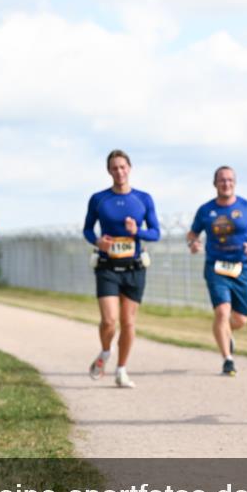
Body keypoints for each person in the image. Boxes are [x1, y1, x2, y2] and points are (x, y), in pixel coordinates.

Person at [83, 149, 160, 388]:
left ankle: (121, 369)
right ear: (109, 171)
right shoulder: (99, 199)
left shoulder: (143, 198)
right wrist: (98, 242)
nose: (119, 171)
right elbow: (87, 229)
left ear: (130, 168)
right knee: (109, 321)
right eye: (114, 167)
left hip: (134, 268)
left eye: (123, 167)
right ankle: (105, 352)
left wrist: (137, 231)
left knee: (128, 323)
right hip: (107, 266)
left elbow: (156, 233)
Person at [186, 166, 247, 376]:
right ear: (215, 184)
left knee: (240, 320)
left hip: (242, 269)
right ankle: (228, 360)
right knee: (222, 312)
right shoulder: (205, 210)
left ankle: (225, 331)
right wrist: (193, 244)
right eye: (222, 180)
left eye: (230, 180)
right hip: (215, 267)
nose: (226, 183)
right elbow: (192, 234)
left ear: (235, 182)